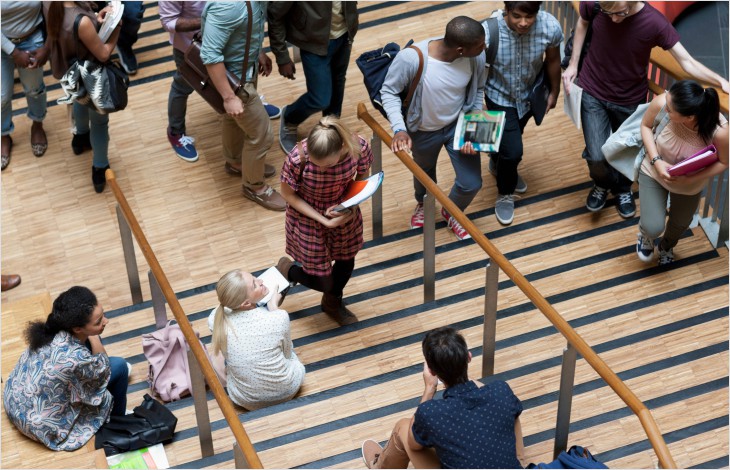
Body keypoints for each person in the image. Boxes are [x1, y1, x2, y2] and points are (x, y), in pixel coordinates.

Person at [562, 1, 730, 219]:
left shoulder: (654, 23)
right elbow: (583, 23)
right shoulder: (595, 4)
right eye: (608, 13)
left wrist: (719, 80)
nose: (614, 18)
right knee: (595, 156)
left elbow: (686, 61)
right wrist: (574, 63)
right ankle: (602, 183)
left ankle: (623, 189)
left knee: (629, 149)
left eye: (620, 13)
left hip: (629, 98)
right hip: (593, 91)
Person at [381, 16, 487, 240]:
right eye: (479, 45)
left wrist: (473, 130)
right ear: (460, 49)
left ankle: (453, 212)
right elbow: (389, 91)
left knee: (471, 183)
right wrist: (399, 129)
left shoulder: (475, 57)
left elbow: (477, 90)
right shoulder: (412, 58)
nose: (484, 48)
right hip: (422, 131)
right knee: (425, 175)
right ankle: (422, 204)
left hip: (457, 127)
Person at [361, 327, 525, 469]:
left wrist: (429, 388)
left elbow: (413, 443)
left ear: (431, 371)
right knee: (511, 407)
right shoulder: (501, 389)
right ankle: (519, 461)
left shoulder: (431, 413)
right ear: (469, 357)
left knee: (404, 427)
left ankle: (379, 466)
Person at [4, 286, 130, 450]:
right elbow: (103, 369)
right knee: (119, 368)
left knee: (90, 340)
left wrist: (91, 333)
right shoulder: (74, 358)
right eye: (98, 321)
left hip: (16, 400)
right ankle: (117, 423)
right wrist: (95, 337)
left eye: (103, 315)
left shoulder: (54, 328)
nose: (106, 321)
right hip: (41, 425)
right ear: (76, 328)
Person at [277, 117, 373, 326]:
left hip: (343, 210)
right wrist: (323, 220)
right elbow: (288, 195)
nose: (321, 170)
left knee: (346, 260)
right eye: (316, 164)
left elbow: (362, 178)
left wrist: (349, 206)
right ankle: (288, 270)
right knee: (322, 280)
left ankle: (332, 303)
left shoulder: (358, 147)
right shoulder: (296, 159)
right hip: (307, 215)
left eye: (327, 165)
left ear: (341, 148)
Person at [483, 2, 563, 225]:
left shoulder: (550, 27)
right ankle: (505, 193)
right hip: (499, 97)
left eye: (530, 17)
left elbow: (553, 60)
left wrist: (554, 91)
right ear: (506, 11)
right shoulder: (489, 32)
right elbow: (473, 68)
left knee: (511, 139)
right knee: (514, 152)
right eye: (517, 16)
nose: (524, 23)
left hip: (529, 98)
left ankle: (497, 163)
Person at [201, 1, 285, 211]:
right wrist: (229, 97)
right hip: (235, 83)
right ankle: (253, 187)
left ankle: (236, 162)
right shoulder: (229, 7)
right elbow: (210, 55)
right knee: (262, 134)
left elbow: (244, 28)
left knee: (233, 121)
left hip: (244, 71)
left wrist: (257, 52)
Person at [636, 80, 728, 265]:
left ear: (690, 117)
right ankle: (646, 235)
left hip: (689, 183)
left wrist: (691, 179)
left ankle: (666, 246)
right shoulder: (664, 102)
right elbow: (645, 126)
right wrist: (656, 161)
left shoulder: (720, 131)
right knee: (652, 226)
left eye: (670, 110)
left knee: (681, 223)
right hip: (653, 170)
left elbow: (724, 161)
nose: (665, 108)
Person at [45, 1, 121, 193]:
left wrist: (95, 18)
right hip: (91, 77)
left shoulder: (48, 4)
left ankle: (79, 138)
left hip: (71, 74)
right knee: (99, 123)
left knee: (80, 100)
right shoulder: (83, 22)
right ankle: (100, 167)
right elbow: (103, 54)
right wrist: (117, 27)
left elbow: (70, 30)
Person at [267, 1, 359, 155]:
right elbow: (275, 13)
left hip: (345, 35)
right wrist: (282, 56)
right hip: (313, 43)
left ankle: (331, 128)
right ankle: (290, 117)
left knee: (338, 82)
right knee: (320, 98)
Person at [208, 269, 305, 410]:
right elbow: (287, 353)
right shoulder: (279, 317)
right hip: (288, 390)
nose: (261, 281)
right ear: (246, 304)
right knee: (289, 352)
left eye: (255, 277)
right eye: (255, 285)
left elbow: (221, 308)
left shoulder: (214, 321)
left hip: (245, 399)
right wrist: (274, 308)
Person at [1, 1, 49, 171]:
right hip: (2, 42)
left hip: (32, 38)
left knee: (34, 89)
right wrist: (14, 52)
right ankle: (4, 135)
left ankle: (37, 124)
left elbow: (57, 9)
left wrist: (48, 46)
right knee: (1, 96)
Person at [159, 1, 205, 162]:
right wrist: (208, 19)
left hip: (225, 37)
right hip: (191, 47)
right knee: (182, 87)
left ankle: (250, 104)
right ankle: (176, 132)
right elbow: (168, 22)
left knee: (238, 73)